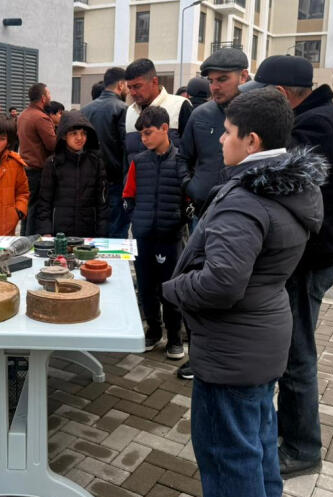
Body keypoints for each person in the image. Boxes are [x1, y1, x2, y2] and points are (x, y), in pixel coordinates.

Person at [162, 88, 325, 497]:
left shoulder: (247, 199)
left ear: (252, 141)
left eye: (228, 132)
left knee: (227, 457)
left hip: (232, 349)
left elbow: (221, 283)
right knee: (255, 446)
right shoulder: (289, 187)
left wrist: (173, 289)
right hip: (260, 339)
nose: (220, 139)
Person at [239, 55, 333, 476]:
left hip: (310, 258)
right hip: (321, 251)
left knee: (295, 355)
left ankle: (303, 449)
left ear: (280, 94)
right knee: (293, 350)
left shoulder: (314, 125)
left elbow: (280, 181)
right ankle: (289, 432)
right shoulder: (325, 115)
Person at [175, 48, 250, 380]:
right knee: (200, 284)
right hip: (202, 214)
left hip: (244, 216)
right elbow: (182, 157)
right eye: (211, 80)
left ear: (244, 77)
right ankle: (199, 354)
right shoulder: (200, 115)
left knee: (235, 288)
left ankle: (231, 357)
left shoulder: (256, 114)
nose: (216, 86)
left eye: (224, 79)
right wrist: (190, 187)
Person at [123, 106, 188, 360]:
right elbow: (128, 196)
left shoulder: (181, 160)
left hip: (170, 239)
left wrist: (178, 220)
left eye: (148, 133)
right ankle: (152, 331)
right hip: (143, 238)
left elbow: (188, 197)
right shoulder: (138, 162)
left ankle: (174, 337)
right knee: (147, 288)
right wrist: (137, 220)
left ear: (164, 129)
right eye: (141, 134)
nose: (144, 139)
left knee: (170, 288)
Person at [34, 110, 108, 237]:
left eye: (83, 133)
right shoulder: (53, 163)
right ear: (64, 135)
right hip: (59, 231)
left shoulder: (95, 162)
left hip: (88, 230)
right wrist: (45, 230)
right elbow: (44, 201)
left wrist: (102, 231)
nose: (79, 138)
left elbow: (102, 201)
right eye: (74, 133)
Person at [82, 67, 130, 238]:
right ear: (121, 85)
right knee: (117, 231)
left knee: (95, 230)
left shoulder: (85, 110)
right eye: (127, 86)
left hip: (90, 179)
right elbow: (127, 146)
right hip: (116, 180)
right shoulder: (123, 108)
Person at [124, 58, 193, 167]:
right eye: (129, 87)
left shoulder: (180, 106)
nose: (132, 92)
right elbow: (127, 155)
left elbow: (191, 153)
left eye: (137, 86)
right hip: (136, 182)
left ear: (154, 82)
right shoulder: (129, 111)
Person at [18, 83, 57, 234]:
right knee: (36, 210)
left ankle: (24, 240)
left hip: (25, 169)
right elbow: (52, 145)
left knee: (27, 210)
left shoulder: (23, 115)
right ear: (43, 98)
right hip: (38, 171)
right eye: (48, 95)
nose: (50, 98)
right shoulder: (41, 118)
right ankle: (31, 244)